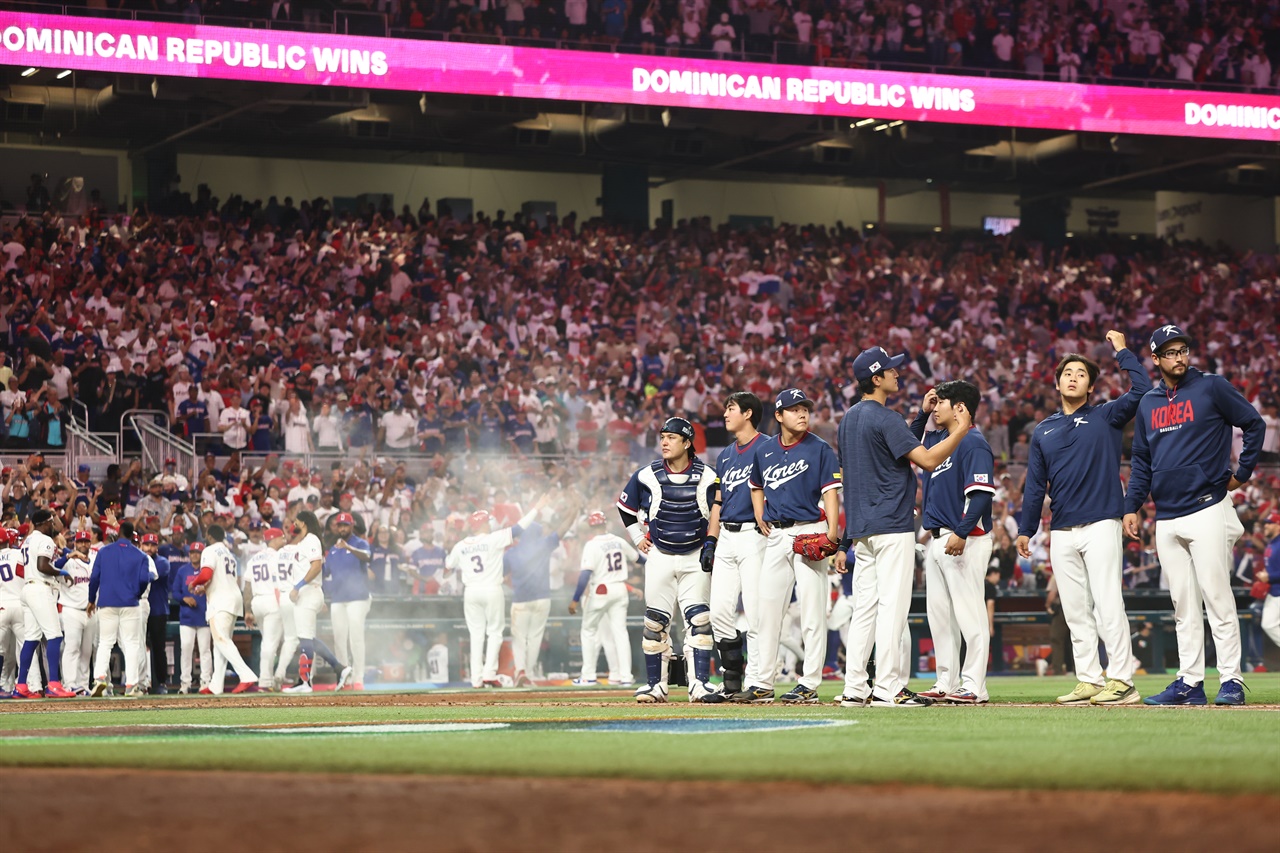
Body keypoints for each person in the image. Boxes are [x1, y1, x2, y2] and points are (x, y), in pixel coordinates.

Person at [1124, 324, 1267, 706]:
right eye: (1170, 352)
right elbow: (1141, 460)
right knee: (1183, 606)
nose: (1179, 357)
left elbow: (1254, 423)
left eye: (1183, 349)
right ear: (1155, 359)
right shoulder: (1149, 404)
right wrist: (1132, 505)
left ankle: (1232, 681)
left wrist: (1242, 473)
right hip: (1167, 516)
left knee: (1218, 599)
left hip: (1207, 505)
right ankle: (1189, 683)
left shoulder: (1211, 386)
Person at [1016, 330, 1150, 706]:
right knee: (1075, 610)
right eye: (1067, 372)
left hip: (1102, 522)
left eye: (1081, 373)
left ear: (1091, 386)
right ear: (1057, 382)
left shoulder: (1106, 415)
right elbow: (1034, 486)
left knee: (1109, 603)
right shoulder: (1043, 429)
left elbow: (1140, 390)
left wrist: (1122, 351)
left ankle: (1123, 680)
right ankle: (1090, 678)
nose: (1073, 377)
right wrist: (1027, 529)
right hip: (1061, 529)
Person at [836, 346, 971, 708]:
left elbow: (892, 449)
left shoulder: (849, 418)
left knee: (865, 609)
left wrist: (919, 417)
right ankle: (888, 688)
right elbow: (925, 459)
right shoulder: (886, 418)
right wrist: (959, 431)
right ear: (876, 378)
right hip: (892, 525)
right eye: (891, 370)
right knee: (892, 609)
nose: (898, 373)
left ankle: (854, 688)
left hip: (862, 528)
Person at [733, 389, 841, 705]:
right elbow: (755, 485)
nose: (802, 414)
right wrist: (757, 512)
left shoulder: (820, 449)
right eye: (794, 410)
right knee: (766, 611)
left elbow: (831, 492)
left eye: (805, 408)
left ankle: (809, 683)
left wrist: (833, 533)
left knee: (811, 612)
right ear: (779, 416)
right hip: (777, 537)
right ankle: (762, 682)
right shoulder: (764, 450)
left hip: (810, 532)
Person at [616, 417, 717, 703]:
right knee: (654, 622)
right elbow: (624, 508)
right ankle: (654, 686)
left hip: (696, 556)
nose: (664, 442)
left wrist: (712, 543)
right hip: (659, 555)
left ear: (687, 443)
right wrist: (637, 537)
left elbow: (718, 512)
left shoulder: (709, 476)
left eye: (671, 437)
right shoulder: (646, 474)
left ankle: (699, 685)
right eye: (662, 436)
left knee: (699, 620)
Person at [911, 380, 997, 705]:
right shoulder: (940, 441)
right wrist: (921, 413)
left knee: (969, 613)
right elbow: (909, 442)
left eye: (941, 402)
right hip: (937, 538)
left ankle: (974, 684)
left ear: (960, 407)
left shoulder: (972, 442)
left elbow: (980, 495)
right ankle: (946, 681)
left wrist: (962, 531)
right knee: (940, 616)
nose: (935, 407)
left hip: (965, 538)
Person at [699, 392, 765, 704]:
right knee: (720, 612)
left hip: (755, 534)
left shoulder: (767, 446)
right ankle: (731, 681)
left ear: (748, 413)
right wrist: (711, 540)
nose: (725, 414)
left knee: (755, 611)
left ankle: (756, 682)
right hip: (726, 533)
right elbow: (717, 501)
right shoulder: (724, 456)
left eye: (731, 408)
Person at [445, 502, 542, 688]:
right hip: (491, 589)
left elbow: (446, 570)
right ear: (482, 524)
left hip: (471, 591)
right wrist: (536, 509)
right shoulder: (493, 539)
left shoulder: (460, 545)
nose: (490, 524)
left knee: (476, 635)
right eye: (488, 521)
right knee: (495, 632)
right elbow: (519, 528)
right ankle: (489, 673)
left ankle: (476, 679)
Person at [507, 497, 580, 686]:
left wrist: (511, 583)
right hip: (542, 599)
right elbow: (562, 531)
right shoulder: (543, 544)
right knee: (535, 637)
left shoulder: (512, 552)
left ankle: (520, 672)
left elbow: (499, 574)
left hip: (521, 600)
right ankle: (528, 674)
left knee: (519, 637)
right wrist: (573, 513)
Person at [188, 524, 259, 694]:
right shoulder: (229, 553)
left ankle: (246, 674)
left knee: (221, 640)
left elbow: (205, 574)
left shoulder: (210, 550)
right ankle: (215, 685)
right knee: (220, 644)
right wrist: (204, 588)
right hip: (233, 598)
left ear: (211, 536)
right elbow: (222, 579)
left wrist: (194, 582)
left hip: (220, 602)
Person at [88, 521, 156, 697]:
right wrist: (136, 593)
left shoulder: (104, 551)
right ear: (132, 534)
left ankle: (100, 678)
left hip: (107, 602)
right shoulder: (140, 555)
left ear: (118, 533)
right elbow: (143, 580)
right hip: (130, 603)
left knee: (105, 642)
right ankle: (131, 685)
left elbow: (94, 577)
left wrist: (91, 600)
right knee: (132, 643)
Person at [570, 510, 638, 686]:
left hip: (600, 590)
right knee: (620, 634)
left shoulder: (592, 545)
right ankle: (625, 677)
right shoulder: (618, 541)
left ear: (592, 526)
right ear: (605, 524)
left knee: (588, 631)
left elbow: (585, 574)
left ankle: (588, 676)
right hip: (620, 588)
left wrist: (575, 599)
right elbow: (638, 558)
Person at [15, 508, 76, 698]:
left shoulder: (27, 541)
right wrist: (61, 572)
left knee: (32, 638)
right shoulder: (45, 539)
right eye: (51, 521)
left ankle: (21, 685)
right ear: (43, 523)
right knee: (55, 636)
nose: (53, 525)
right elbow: (43, 566)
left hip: (28, 588)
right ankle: (54, 685)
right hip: (41, 588)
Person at [284, 511, 346, 693]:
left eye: (295, 519)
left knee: (305, 638)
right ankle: (339, 668)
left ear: (302, 522)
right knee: (308, 638)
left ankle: (305, 682)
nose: (293, 522)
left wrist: (298, 586)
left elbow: (316, 566)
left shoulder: (311, 539)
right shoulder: (305, 541)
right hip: (311, 592)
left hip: (307, 592)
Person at [324, 512, 365, 691]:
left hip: (358, 597)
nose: (342, 528)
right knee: (339, 639)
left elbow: (367, 557)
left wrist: (349, 547)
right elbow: (324, 573)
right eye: (339, 525)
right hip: (338, 598)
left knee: (356, 637)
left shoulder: (360, 543)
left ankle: (358, 678)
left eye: (345, 525)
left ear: (352, 525)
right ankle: (344, 679)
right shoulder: (333, 549)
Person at [245, 527, 287, 691]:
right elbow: (278, 585)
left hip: (257, 602)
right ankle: (265, 681)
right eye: (281, 538)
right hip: (272, 600)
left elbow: (247, 586)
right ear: (274, 539)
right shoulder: (277, 557)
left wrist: (248, 610)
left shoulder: (254, 558)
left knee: (270, 641)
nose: (284, 541)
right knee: (270, 643)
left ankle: (270, 677)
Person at [170, 541, 212, 694]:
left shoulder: (207, 571)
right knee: (186, 649)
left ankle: (205, 681)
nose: (195, 555)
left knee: (205, 650)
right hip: (187, 617)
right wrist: (184, 599)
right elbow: (175, 592)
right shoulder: (182, 571)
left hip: (204, 616)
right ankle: (185, 683)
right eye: (193, 552)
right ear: (189, 554)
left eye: (198, 553)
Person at [139, 533, 171, 694]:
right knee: (140, 646)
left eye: (152, 545)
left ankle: (162, 682)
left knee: (159, 648)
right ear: (141, 545)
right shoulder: (138, 559)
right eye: (146, 544)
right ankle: (143, 682)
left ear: (157, 547)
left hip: (158, 610)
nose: (149, 548)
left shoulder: (162, 562)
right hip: (140, 609)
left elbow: (151, 577)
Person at [0, 528, 26, 694]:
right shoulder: (18, 554)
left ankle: (4, 685)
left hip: (1, 605)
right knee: (24, 647)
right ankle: (25, 684)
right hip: (19, 603)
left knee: (2, 650)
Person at [1258, 512, 1280, 652]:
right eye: (1265, 523)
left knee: (1269, 624)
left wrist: (1269, 577)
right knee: (1268, 623)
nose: (1265, 525)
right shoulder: (1272, 543)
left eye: (1269, 523)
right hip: (1274, 591)